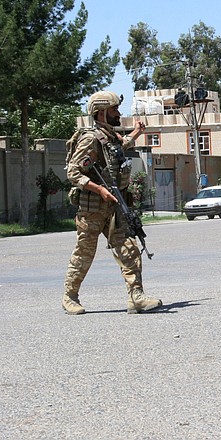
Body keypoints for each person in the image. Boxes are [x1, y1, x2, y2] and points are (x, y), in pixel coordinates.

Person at [62, 90, 162, 315]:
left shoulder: (109, 136)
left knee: (129, 249)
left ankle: (136, 297)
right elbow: (73, 172)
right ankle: (70, 297)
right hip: (93, 209)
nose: (118, 113)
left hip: (115, 207)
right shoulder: (90, 138)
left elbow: (119, 147)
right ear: (102, 113)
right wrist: (98, 189)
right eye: (114, 109)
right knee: (84, 253)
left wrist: (136, 133)